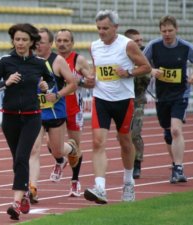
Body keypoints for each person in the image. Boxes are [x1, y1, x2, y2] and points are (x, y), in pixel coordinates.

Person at [0, 23, 55, 221]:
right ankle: (23, 193)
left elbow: (50, 82)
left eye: (24, 40)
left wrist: (44, 86)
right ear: (13, 41)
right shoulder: (5, 61)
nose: (20, 43)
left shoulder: (40, 63)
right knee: (17, 159)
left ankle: (16, 204)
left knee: (23, 156)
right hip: (9, 117)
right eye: (17, 39)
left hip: (32, 117)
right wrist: (5, 83)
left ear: (32, 42)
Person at [83, 10, 151, 204]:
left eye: (105, 28)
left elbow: (145, 67)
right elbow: (96, 70)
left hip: (123, 100)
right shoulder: (94, 46)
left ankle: (128, 183)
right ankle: (100, 188)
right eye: (98, 28)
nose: (101, 32)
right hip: (101, 99)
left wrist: (128, 72)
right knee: (97, 142)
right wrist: (91, 78)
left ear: (115, 28)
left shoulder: (127, 45)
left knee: (125, 142)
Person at [28, 27, 79, 204]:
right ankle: (32, 188)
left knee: (57, 150)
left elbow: (73, 84)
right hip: (36, 113)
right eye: (35, 42)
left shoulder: (57, 61)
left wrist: (57, 95)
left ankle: (70, 148)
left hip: (55, 113)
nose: (37, 45)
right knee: (33, 150)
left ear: (50, 44)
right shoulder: (29, 60)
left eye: (41, 42)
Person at [143, 15, 193, 184]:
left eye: (170, 30)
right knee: (168, 132)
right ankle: (175, 164)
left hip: (181, 94)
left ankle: (178, 168)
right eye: (164, 31)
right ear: (160, 31)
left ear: (176, 29)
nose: (167, 34)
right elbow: (140, 63)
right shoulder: (153, 46)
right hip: (161, 96)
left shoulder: (186, 47)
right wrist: (151, 70)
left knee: (176, 130)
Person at [54, 28, 95, 195]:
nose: (62, 44)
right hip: (55, 107)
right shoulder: (51, 60)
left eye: (66, 41)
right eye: (59, 41)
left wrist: (81, 81)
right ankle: (60, 159)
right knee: (52, 144)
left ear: (72, 43)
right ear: (55, 42)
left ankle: (75, 181)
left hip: (73, 108)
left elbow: (92, 81)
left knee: (75, 145)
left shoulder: (78, 60)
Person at [124, 29, 151, 179]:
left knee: (135, 132)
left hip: (138, 99)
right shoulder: (121, 56)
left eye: (141, 40)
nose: (140, 44)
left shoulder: (144, 58)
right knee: (123, 135)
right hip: (122, 100)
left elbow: (145, 78)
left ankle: (137, 163)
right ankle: (128, 162)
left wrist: (130, 72)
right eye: (137, 41)